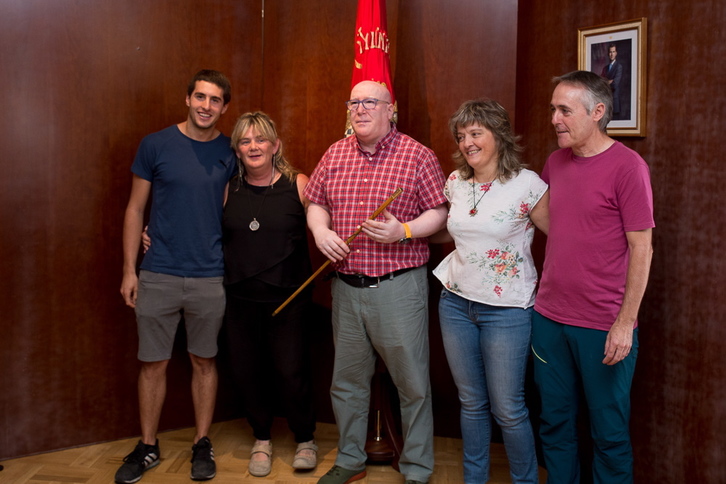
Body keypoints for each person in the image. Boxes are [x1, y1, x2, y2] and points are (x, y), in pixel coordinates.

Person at [305, 80, 448, 484]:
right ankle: (350, 460)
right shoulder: (335, 153)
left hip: (399, 288)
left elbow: (440, 212)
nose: (361, 109)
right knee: (347, 383)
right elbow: (315, 201)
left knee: (413, 384)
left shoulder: (417, 155)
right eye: (354, 102)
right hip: (346, 289)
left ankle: (417, 468)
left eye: (370, 102)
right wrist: (320, 232)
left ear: (392, 109)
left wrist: (402, 230)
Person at [532, 70, 654, 484]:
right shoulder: (555, 161)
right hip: (548, 318)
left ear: (597, 112)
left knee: (609, 434)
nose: (555, 119)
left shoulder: (628, 167)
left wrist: (624, 324)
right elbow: (556, 222)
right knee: (554, 424)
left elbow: (642, 248)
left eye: (565, 110)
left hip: (603, 326)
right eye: (553, 109)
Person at [117, 70, 236, 483]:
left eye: (215, 100)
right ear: (187, 99)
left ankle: (202, 444)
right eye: (200, 97)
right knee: (152, 364)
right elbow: (135, 209)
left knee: (205, 361)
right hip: (159, 273)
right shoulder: (156, 144)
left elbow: (236, 209)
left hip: (209, 276)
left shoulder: (231, 150)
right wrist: (130, 269)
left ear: (224, 107)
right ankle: (148, 446)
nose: (206, 106)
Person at [431, 99, 549, 484]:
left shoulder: (528, 185)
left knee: (509, 408)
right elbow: (454, 229)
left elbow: (562, 236)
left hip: (508, 310)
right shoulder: (456, 182)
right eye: (462, 135)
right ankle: (474, 479)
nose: (467, 142)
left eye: (476, 133)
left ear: (499, 135)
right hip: (455, 303)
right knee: (471, 404)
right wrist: (405, 232)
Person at [222, 112, 317, 477]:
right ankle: (261, 439)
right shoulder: (229, 188)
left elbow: (326, 225)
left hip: (289, 300)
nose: (253, 147)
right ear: (237, 149)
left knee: (291, 372)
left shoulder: (299, 184)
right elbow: (202, 228)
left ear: (275, 146)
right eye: (245, 141)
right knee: (247, 372)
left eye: (261, 139)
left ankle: (305, 438)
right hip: (239, 300)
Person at [600, 44, 623, 116]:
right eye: (610, 52)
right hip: (606, 99)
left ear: (616, 53)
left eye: (613, 52)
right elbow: (600, 83)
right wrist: (609, 81)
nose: (611, 54)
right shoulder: (605, 68)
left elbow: (615, 84)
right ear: (608, 54)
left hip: (614, 100)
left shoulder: (619, 67)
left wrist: (606, 82)